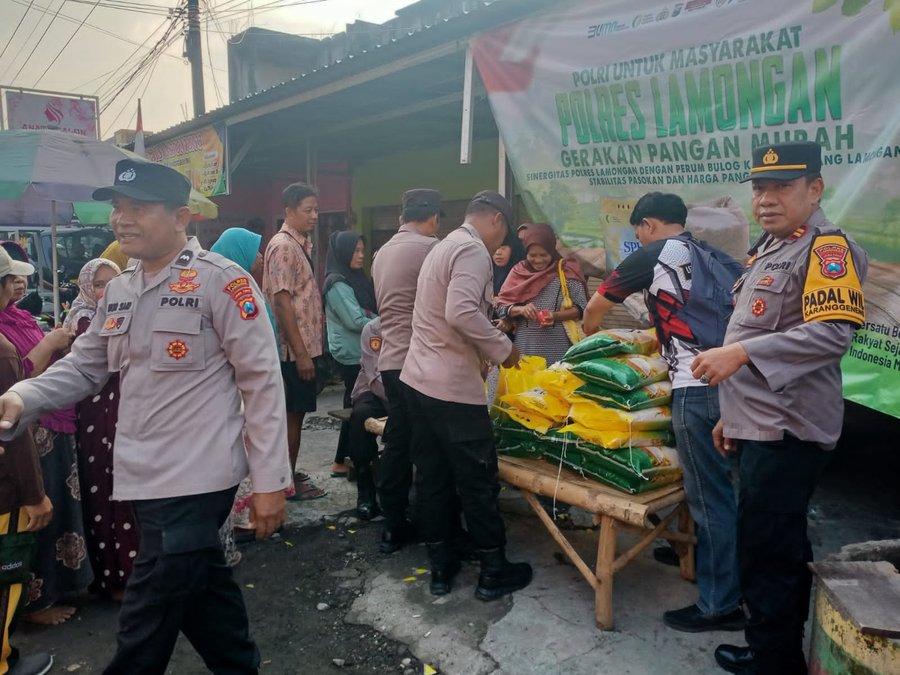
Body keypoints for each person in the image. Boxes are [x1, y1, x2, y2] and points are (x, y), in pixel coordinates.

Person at [0, 158, 291, 674]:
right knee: (206, 600)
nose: (122, 219)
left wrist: (270, 481)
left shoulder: (224, 283)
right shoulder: (120, 290)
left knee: (146, 617)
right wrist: (25, 394)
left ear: (181, 217)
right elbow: (87, 366)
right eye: (118, 208)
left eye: (138, 208)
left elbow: (262, 382)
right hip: (139, 477)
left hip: (197, 480)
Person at [690, 142, 868, 675]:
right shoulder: (773, 247)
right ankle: (770, 648)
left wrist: (740, 352)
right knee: (765, 545)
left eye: (782, 187)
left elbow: (832, 334)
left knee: (771, 553)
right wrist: (731, 414)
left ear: (815, 189)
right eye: (760, 188)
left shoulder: (827, 249)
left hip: (789, 431)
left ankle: (776, 663)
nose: (766, 199)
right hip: (760, 425)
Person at [582, 192, 745, 633]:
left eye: (638, 230)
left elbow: (596, 309)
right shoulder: (714, 255)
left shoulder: (655, 253)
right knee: (719, 489)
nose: (638, 237)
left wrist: (589, 342)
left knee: (709, 498)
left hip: (695, 388)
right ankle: (690, 553)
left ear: (649, 225)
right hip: (733, 384)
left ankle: (719, 605)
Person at [401, 190, 531, 599]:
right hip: (451, 388)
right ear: (494, 219)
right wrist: (503, 349)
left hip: (418, 381)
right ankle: (493, 570)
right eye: (504, 231)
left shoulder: (443, 248)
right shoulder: (472, 250)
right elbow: (460, 312)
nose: (502, 242)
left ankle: (442, 568)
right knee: (477, 481)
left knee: (434, 477)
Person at [0, 240, 92, 627]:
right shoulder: (3, 344)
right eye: (11, 280)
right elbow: (15, 398)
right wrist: (51, 343)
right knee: (26, 530)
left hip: (49, 426)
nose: (16, 287)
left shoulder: (17, 318)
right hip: (26, 442)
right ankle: (27, 609)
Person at [63, 259, 140, 600]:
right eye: (98, 284)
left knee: (128, 490)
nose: (106, 289)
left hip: (123, 411)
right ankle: (112, 577)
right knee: (103, 491)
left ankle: (133, 573)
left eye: (112, 282)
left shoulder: (121, 311)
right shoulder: (83, 319)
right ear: (85, 288)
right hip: (95, 417)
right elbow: (100, 361)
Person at [370, 189, 441, 553]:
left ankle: (392, 524)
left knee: (397, 443)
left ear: (402, 216)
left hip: (390, 362)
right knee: (427, 447)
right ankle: (433, 529)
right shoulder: (432, 249)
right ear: (433, 218)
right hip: (421, 363)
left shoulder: (382, 253)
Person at [211, 228, 288, 543]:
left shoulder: (245, 285)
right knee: (243, 453)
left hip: (252, 384)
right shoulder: (226, 290)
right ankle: (245, 519)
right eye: (254, 250)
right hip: (237, 393)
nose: (259, 257)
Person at [0, 250, 54, 675]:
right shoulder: (2, 352)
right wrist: (35, 495)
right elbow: (12, 431)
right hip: (6, 489)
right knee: (6, 575)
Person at [263, 183, 327, 501]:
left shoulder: (300, 244)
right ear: (289, 211)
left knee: (297, 415)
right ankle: (285, 482)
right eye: (308, 210)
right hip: (292, 352)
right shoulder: (284, 246)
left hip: (302, 348)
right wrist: (301, 354)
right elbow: (282, 302)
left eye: (316, 210)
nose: (314, 216)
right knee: (291, 415)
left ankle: (288, 473)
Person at [322, 231, 377, 478]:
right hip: (351, 353)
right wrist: (384, 321)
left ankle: (342, 459)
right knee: (355, 407)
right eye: (355, 251)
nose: (361, 255)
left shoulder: (354, 277)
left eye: (362, 250)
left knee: (353, 406)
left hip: (362, 350)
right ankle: (348, 460)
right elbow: (355, 320)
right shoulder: (337, 283)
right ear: (343, 252)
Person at [495, 223, 587, 365]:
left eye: (543, 255)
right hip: (525, 348)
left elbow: (582, 308)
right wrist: (520, 309)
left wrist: (555, 316)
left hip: (559, 348)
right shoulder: (518, 272)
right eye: (532, 255)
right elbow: (501, 307)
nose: (538, 260)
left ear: (552, 250)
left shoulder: (566, 271)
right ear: (525, 252)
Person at [347, 318, 388, 520]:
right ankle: (365, 490)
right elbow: (374, 375)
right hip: (374, 390)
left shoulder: (419, 322)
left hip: (410, 390)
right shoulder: (373, 329)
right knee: (360, 416)